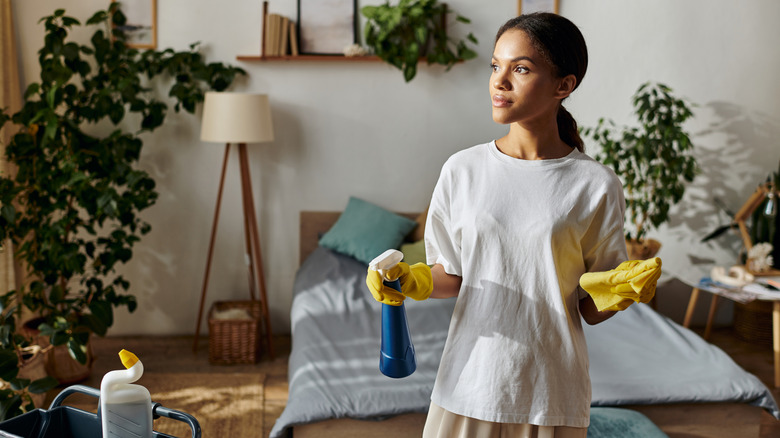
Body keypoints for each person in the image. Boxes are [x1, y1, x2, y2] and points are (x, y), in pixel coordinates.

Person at [366, 12, 660, 438]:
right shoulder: (461, 170)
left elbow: (587, 310)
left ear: (565, 85)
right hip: (467, 383)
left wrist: (619, 293)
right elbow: (453, 274)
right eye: (495, 66)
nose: (499, 81)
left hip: (551, 392)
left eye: (520, 68)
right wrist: (413, 281)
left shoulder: (595, 184)